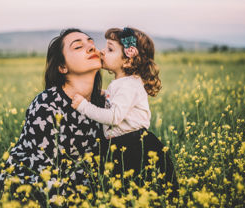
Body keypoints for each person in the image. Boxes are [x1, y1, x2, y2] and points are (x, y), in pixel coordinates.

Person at [0, 28, 105, 206]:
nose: (91, 48)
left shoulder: (104, 104)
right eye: (78, 47)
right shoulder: (47, 105)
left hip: (80, 191)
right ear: (62, 67)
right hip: (31, 191)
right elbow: (45, 174)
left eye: (91, 42)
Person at [71, 27, 178, 199]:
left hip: (132, 146)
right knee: (125, 190)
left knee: (132, 190)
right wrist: (105, 94)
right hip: (122, 143)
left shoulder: (129, 85)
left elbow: (114, 116)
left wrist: (84, 106)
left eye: (110, 49)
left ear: (127, 61)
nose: (103, 52)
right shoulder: (123, 83)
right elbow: (118, 102)